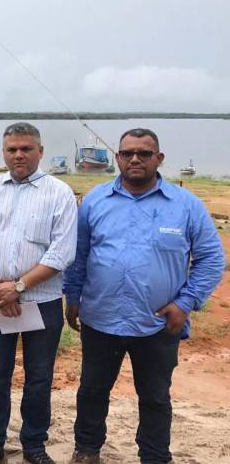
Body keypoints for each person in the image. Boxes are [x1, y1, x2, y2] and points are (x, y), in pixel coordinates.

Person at [64, 128, 225, 464]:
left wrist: (185, 303)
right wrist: (73, 296)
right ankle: (87, 450)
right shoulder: (95, 200)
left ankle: (154, 457)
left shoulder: (186, 206)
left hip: (157, 323)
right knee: (92, 391)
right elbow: (78, 255)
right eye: (127, 153)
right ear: (118, 158)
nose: (135, 159)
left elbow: (212, 259)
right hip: (100, 317)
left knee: (154, 397)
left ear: (159, 159)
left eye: (144, 153)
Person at [0, 122, 78, 464]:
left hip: (41, 302)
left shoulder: (59, 193)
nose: (18, 155)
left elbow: (62, 254)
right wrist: (1, 290)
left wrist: (17, 287)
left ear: (40, 151)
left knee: (39, 377)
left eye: (26, 148)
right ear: (4, 152)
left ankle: (34, 446)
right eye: (12, 149)